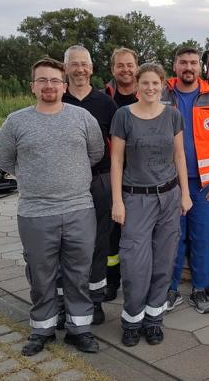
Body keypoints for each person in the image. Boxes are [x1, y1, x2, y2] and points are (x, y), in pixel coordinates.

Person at [0, 57, 104, 356]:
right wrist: (34, 178)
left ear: (64, 85)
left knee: (78, 273)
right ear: (32, 86)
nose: (49, 86)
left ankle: (79, 329)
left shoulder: (82, 118)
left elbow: (95, 153)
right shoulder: (16, 122)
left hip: (79, 209)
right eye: (42, 80)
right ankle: (42, 329)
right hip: (35, 213)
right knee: (41, 274)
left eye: (55, 80)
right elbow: (3, 160)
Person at [110, 63, 193, 347]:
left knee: (164, 261)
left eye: (155, 83)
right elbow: (117, 160)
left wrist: (185, 194)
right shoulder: (123, 116)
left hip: (168, 197)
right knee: (134, 263)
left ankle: (154, 320)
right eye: (144, 83)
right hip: (136, 198)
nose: (150, 88)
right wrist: (117, 201)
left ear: (162, 85)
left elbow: (180, 156)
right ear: (136, 85)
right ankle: (132, 320)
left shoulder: (173, 116)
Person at [162, 46, 209, 314]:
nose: (188, 67)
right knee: (172, 238)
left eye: (193, 62)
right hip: (170, 183)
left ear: (201, 67)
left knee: (202, 237)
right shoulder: (161, 94)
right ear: (175, 66)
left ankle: (199, 290)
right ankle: (170, 289)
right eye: (183, 62)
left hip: (205, 186)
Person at [61, 45, 118, 326]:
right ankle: (65, 301)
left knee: (98, 243)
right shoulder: (57, 99)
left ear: (92, 69)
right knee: (66, 243)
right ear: (66, 69)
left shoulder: (106, 103)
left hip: (98, 181)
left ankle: (95, 302)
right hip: (65, 185)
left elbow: (118, 147)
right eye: (75, 64)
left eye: (85, 64)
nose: (80, 69)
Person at [103, 47, 140, 302]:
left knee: (137, 231)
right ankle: (111, 280)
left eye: (130, 65)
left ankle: (136, 280)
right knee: (110, 232)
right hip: (111, 173)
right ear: (112, 69)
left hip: (141, 176)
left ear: (136, 66)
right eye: (120, 66)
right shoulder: (105, 99)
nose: (126, 70)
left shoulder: (148, 94)